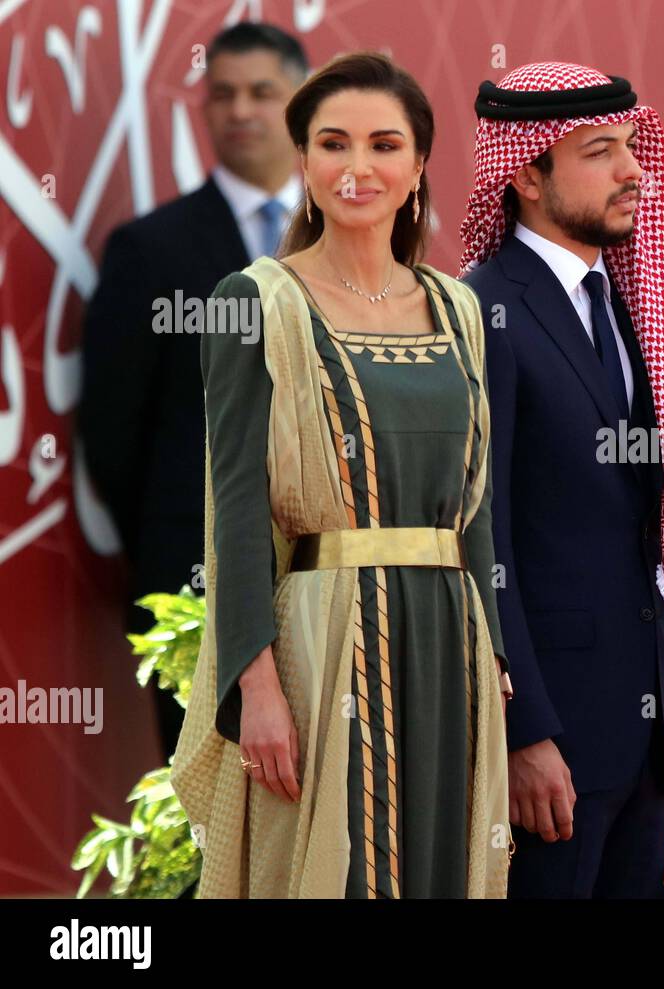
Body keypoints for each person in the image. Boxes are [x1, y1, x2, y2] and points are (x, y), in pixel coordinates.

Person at [171, 52, 510, 899]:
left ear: (419, 165)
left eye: (384, 145)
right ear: (304, 162)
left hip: (450, 640)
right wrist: (257, 685)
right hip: (319, 645)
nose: (358, 168)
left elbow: (476, 512)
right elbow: (238, 509)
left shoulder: (458, 305)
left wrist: (494, 651)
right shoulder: (255, 300)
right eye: (333, 144)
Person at [460, 62, 664, 898]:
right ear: (528, 174)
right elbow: (483, 540)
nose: (635, 173)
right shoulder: (486, 310)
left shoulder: (630, 303)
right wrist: (523, 731)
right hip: (555, 745)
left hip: (644, 739)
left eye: (631, 147)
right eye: (602, 152)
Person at [80, 21, 307, 757]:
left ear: (303, 101)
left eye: (262, 93)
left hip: (335, 583)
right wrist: (175, 543)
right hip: (193, 589)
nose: (240, 110)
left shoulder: (351, 238)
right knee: (206, 829)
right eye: (223, 95)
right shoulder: (151, 250)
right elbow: (113, 435)